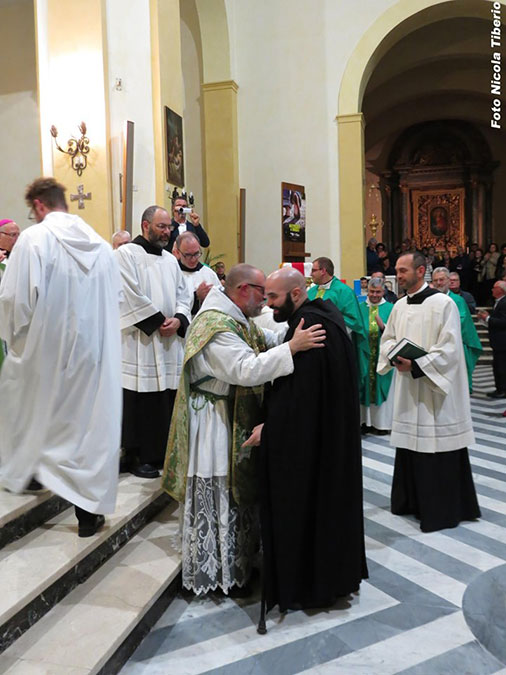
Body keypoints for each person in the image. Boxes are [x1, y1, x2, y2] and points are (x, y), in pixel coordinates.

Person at [161, 264, 325, 595]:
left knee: (236, 499)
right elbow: (244, 368)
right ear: (243, 290)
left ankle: (237, 565)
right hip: (214, 421)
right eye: (262, 294)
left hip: (231, 414)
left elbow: (266, 340)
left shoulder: (237, 319)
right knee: (222, 492)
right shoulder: (216, 327)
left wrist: (295, 331)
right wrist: (293, 348)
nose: (265, 302)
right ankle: (217, 575)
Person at [242, 267, 367, 622]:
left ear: (296, 294)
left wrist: (272, 426)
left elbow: (304, 396)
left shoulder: (308, 326)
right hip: (328, 438)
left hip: (310, 444)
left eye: (273, 297)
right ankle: (330, 579)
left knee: (308, 508)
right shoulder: (322, 314)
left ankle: (309, 585)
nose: (269, 304)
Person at [0, 177, 122, 537]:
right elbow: (113, 302)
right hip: (93, 353)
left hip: (47, 351)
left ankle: (32, 474)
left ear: (38, 205)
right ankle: (86, 514)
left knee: (34, 408)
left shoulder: (34, 240)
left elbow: (14, 301)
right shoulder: (101, 246)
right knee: (84, 427)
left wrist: (16, 341)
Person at [378, 252, 480, 532]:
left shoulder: (443, 304)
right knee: (411, 445)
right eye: (397, 271)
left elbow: (450, 349)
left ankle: (441, 510)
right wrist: (393, 357)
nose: (397, 275)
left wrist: (418, 364)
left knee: (436, 446)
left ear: (420, 270)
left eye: (402, 270)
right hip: (409, 387)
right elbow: (388, 340)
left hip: (435, 390)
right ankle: (410, 502)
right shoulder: (398, 306)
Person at [116, 205, 192, 478]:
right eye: (161, 226)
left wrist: (180, 319)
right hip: (141, 341)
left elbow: (185, 295)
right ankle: (138, 455)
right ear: (145, 225)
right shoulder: (125, 255)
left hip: (168, 341)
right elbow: (128, 294)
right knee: (141, 398)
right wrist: (158, 321)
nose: (167, 231)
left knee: (164, 398)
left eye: (168, 227)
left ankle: (160, 453)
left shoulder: (171, 261)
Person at [308, 257, 369, 398]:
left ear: (323, 271)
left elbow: (354, 322)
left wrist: (328, 328)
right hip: (311, 347)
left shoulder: (344, 292)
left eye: (313, 270)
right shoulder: (311, 292)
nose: (311, 274)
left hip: (335, 347)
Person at [432, 267, 482, 392]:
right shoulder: (429, 300)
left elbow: (462, 321)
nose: (439, 283)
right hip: (433, 346)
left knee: (455, 386)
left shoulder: (458, 300)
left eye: (442, 279)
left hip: (454, 346)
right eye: (435, 280)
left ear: (448, 281)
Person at [359, 278, 395, 433]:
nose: (374, 295)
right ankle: (364, 422)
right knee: (363, 386)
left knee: (381, 386)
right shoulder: (359, 308)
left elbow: (397, 333)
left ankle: (381, 424)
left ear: (383, 291)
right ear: (367, 291)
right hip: (363, 356)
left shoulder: (392, 308)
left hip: (383, 358)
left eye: (378, 292)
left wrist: (383, 327)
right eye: (372, 291)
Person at [172, 232, 221, 316]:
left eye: (196, 254)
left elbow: (220, 303)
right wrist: (196, 297)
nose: (193, 259)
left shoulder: (209, 274)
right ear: (177, 252)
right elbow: (171, 306)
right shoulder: (172, 274)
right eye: (188, 255)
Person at [477, 281, 506, 398]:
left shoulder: (504, 303)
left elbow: (503, 322)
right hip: (498, 341)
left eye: (494, 288)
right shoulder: (498, 302)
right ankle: (499, 388)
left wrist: (487, 317)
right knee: (497, 366)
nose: (492, 290)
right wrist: (486, 319)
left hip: (502, 342)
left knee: (501, 367)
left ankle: (503, 390)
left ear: (500, 290)